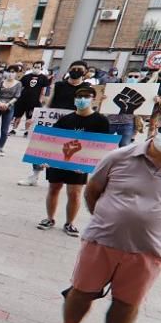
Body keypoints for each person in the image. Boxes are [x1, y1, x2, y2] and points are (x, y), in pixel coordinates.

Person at [35, 130, 161, 323]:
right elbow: (92, 190)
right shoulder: (119, 157)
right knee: (80, 291)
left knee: (127, 302)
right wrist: (107, 219)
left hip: (149, 250)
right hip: (102, 241)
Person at [36, 88, 112, 237]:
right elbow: (52, 139)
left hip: (79, 164)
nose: (82, 99)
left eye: (86, 96)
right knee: (53, 188)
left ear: (93, 99)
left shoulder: (101, 121)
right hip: (60, 159)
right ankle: (49, 219)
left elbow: (102, 146)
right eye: (79, 96)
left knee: (74, 192)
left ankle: (69, 223)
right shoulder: (66, 119)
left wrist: (88, 166)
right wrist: (45, 158)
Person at [19, 60, 94, 186]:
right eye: (73, 68)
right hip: (53, 120)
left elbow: (89, 107)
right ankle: (34, 176)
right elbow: (49, 103)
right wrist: (38, 117)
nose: (76, 71)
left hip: (74, 123)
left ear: (85, 72)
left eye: (79, 69)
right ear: (69, 70)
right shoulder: (59, 85)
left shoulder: (86, 88)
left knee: (66, 150)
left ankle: (59, 178)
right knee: (41, 147)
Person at [11, 62, 49, 137]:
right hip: (22, 99)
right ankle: (13, 130)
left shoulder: (43, 78)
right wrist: (17, 96)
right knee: (18, 116)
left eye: (38, 67)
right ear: (33, 67)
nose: (36, 68)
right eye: (35, 67)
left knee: (30, 117)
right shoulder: (26, 76)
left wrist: (41, 99)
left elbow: (43, 90)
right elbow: (20, 86)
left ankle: (26, 131)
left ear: (41, 68)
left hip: (34, 101)